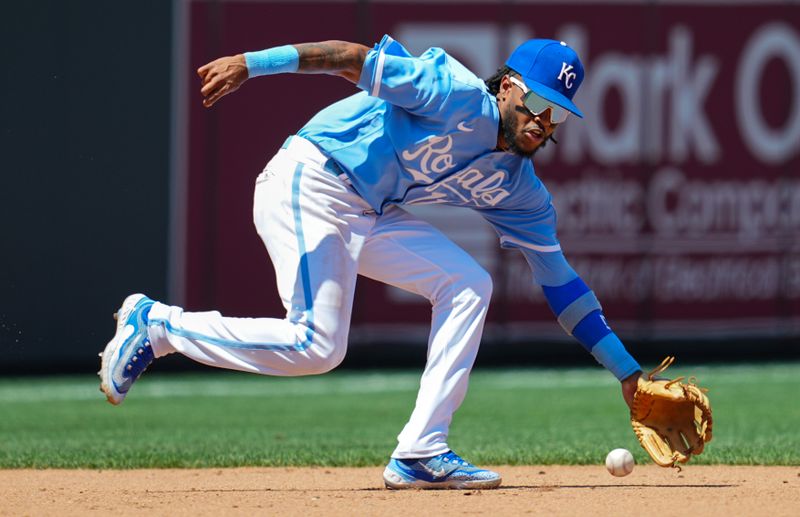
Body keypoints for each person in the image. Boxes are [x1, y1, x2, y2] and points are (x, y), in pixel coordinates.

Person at [99, 35, 644, 490]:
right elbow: (349, 57)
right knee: (316, 345)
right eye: (540, 106)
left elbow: (561, 284)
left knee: (468, 283)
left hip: (368, 210)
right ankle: (159, 325)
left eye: (559, 118)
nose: (545, 124)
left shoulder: (518, 188)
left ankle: (421, 452)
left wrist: (629, 374)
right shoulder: (451, 92)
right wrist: (251, 65)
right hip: (310, 177)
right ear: (507, 87)